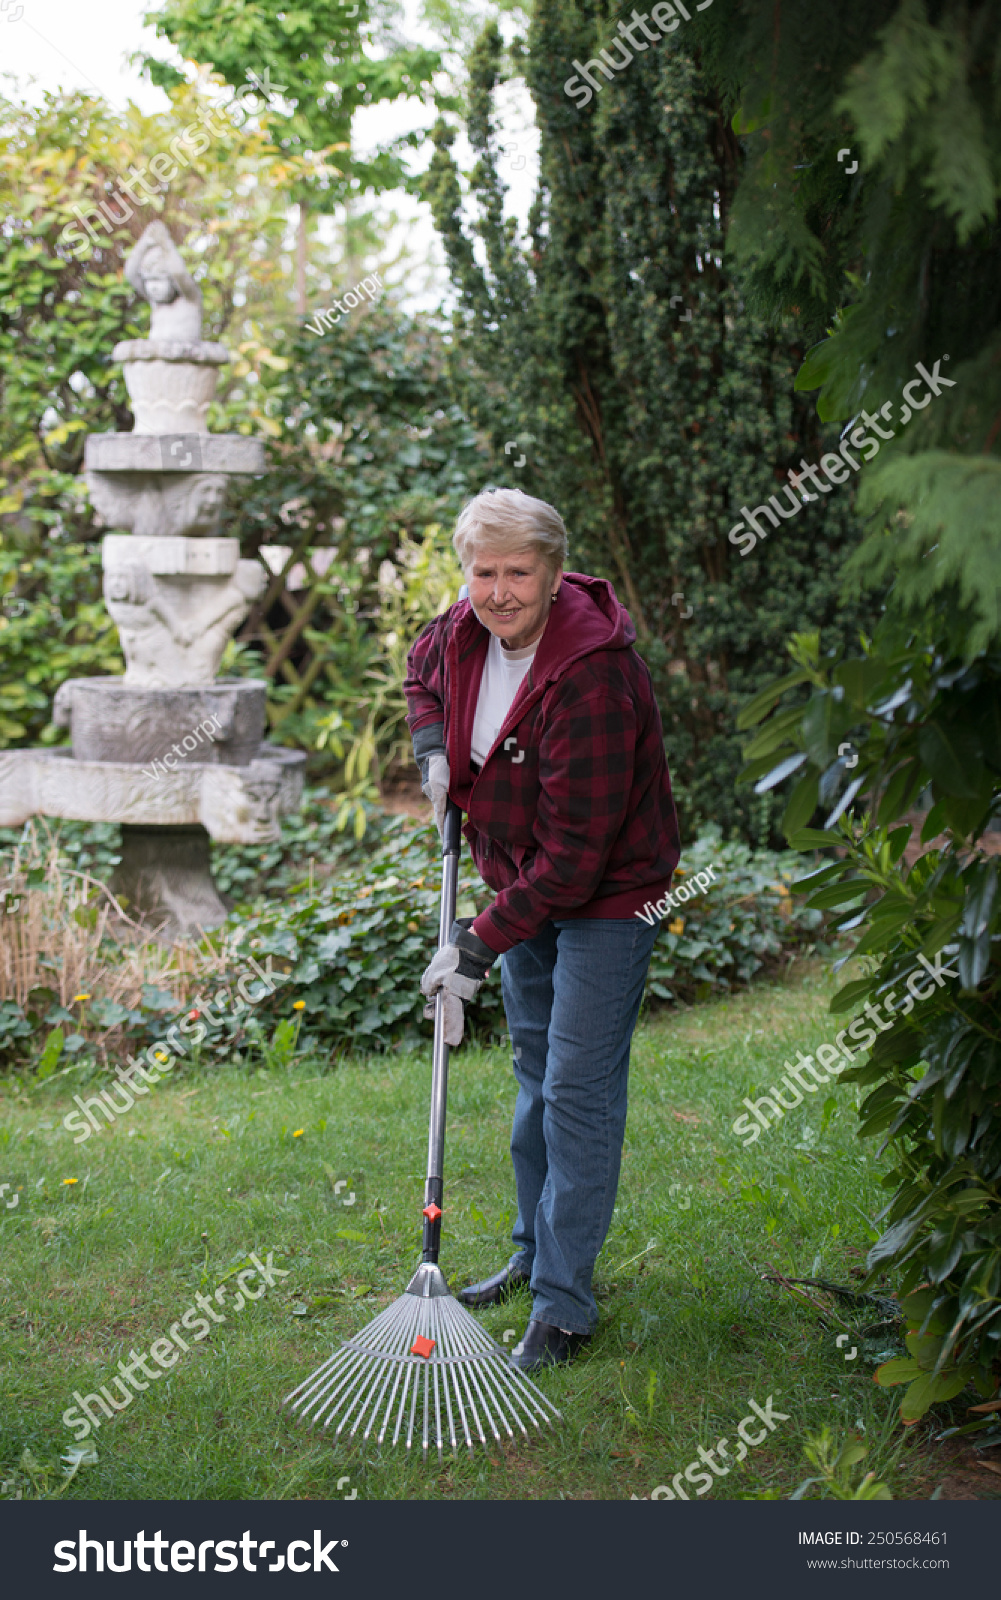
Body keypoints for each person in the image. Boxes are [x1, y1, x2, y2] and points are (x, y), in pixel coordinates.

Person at [405, 488, 680, 1374]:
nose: (497, 591)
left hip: (608, 890)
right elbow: (421, 671)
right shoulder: (462, 629)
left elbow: (574, 856)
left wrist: (476, 944)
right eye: (481, 572)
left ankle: (564, 1306)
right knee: (534, 1072)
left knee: (575, 1087)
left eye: (517, 572)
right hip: (518, 875)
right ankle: (532, 1253)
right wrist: (431, 752)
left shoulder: (592, 670)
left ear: (554, 573)